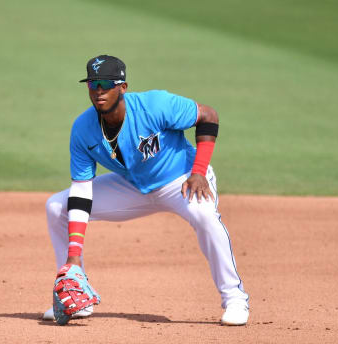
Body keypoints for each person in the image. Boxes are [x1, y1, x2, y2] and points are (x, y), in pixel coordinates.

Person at [42, 54, 249, 325]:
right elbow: (81, 189)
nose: (99, 91)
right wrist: (74, 256)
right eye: (93, 85)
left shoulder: (155, 105)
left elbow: (208, 116)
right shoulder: (83, 128)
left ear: (122, 87)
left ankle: (235, 299)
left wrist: (199, 172)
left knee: (204, 216)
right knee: (58, 206)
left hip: (182, 180)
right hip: (132, 186)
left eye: (106, 83)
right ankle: (75, 292)